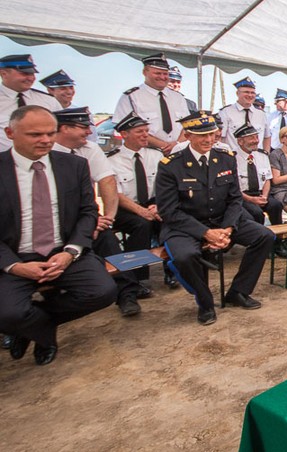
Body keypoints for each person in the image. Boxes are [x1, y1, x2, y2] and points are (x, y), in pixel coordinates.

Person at [0, 106, 117, 365]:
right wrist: (15, 265)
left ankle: (33, 325)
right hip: (14, 256)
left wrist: (71, 251)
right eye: (35, 134)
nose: (45, 140)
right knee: (7, 314)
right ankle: (42, 333)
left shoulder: (73, 165)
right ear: (10, 133)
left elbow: (88, 213)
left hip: (64, 251)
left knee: (103, 292)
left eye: (50, 133)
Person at [155, 112, 275, 325]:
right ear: (188, 135)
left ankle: (238, 291)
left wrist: (228, 228)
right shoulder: (170, 165)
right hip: (185, 226)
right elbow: (169, 211)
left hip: (221, 221)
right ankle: (205, 301)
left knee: (264, 236)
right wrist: (206, 233)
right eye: (202, 135)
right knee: (184, 257)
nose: (208, 140)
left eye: (211, 134)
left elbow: (235, 199)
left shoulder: (225, 159)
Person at [52, 107, 144, 316]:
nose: (88, 132)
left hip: (88, 218)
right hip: (54, 225)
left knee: (109, 241)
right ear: (64, 128)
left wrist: (107, 218)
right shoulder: (47, 152)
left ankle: (127, 295)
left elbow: (107, 181)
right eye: (83, 127)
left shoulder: (89, 149)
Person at [106, 112, 164, 296]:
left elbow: (164, 185)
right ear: (124, 134)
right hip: (125, 208)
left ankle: (173, 270)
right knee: (142, 225)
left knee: (173, 217)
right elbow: (117, 194)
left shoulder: (155, 156)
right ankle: (136, 277)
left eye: (146, 131)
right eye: (139, 131)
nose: (145, 135)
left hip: (152, 204)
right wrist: (141, 211)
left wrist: (158, 206)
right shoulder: (112, 160)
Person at [113, 53, 190, 155]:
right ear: (145, 72)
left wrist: (177, 144)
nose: (162, 77)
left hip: (177, 153)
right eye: (157, 73)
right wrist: (163, 145)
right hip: (145, 154)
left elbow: (188, 125)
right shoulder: (131, 97)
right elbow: (127, 129)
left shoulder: (178, 98)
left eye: (165, 73)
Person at [0, 54, 62, 151]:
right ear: (4, 74)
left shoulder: (48, 101)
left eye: (32, 74)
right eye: (25, 74)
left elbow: (61, 133)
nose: (31, 78)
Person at [233, 123, 285, 233]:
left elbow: (267, 179)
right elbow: (234, 187)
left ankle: (279, 241)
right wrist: (251, 199)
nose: (256, 140)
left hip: (261, 194)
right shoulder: (232, 158)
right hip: (243, 196)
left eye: (256, 137)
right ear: (240, 141)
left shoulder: (262, 155)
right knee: (256, 213)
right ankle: (259, 239)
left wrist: (264, 196)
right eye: (251, 138)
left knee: (276, 206)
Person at [218, 77, 271, 152]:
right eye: (246, 92)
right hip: (234, 158)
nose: (250, 95)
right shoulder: (226, 112)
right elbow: (220, 138)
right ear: (237, 93)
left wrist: (266, 154)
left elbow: (267, 137)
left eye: (252, 93)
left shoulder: (261, 114)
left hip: (257, 158)